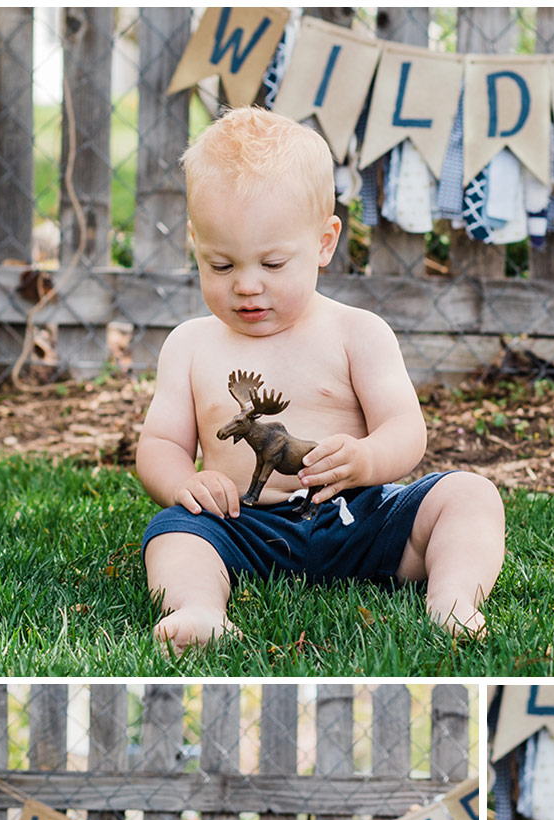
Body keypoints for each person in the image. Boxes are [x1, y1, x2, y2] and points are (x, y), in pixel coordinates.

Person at [136, 106, 504, 651]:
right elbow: (161, 442)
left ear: (325, 242)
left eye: (273, 264)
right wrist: (182, 484)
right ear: (195, 243)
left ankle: (452, 601)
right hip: (244, 527)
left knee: (470, 494)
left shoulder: (358, 332)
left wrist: (367, 459)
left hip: (358, 518)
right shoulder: (189, 345)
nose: (247, 286)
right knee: (171, 534)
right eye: (221, 265)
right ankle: (200, 609)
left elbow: (406, 430)